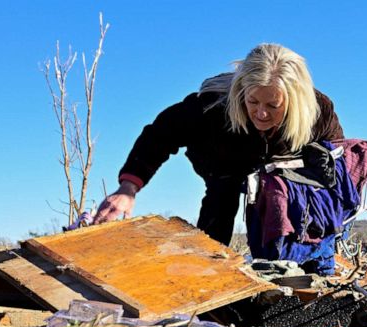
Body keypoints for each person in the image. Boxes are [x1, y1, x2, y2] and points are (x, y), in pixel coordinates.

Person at [93, 43, 345, 247]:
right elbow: (159, 135)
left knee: (287, 205)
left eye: (272, 106)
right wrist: (128, 188)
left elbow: (342, 156)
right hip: (222, 158)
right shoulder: (210, 109)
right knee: (221, 200)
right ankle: (207, 269)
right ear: (241, 91)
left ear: (294, 102)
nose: (261, 114)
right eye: (253, 101)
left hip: (280, 166)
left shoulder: (318, 113)